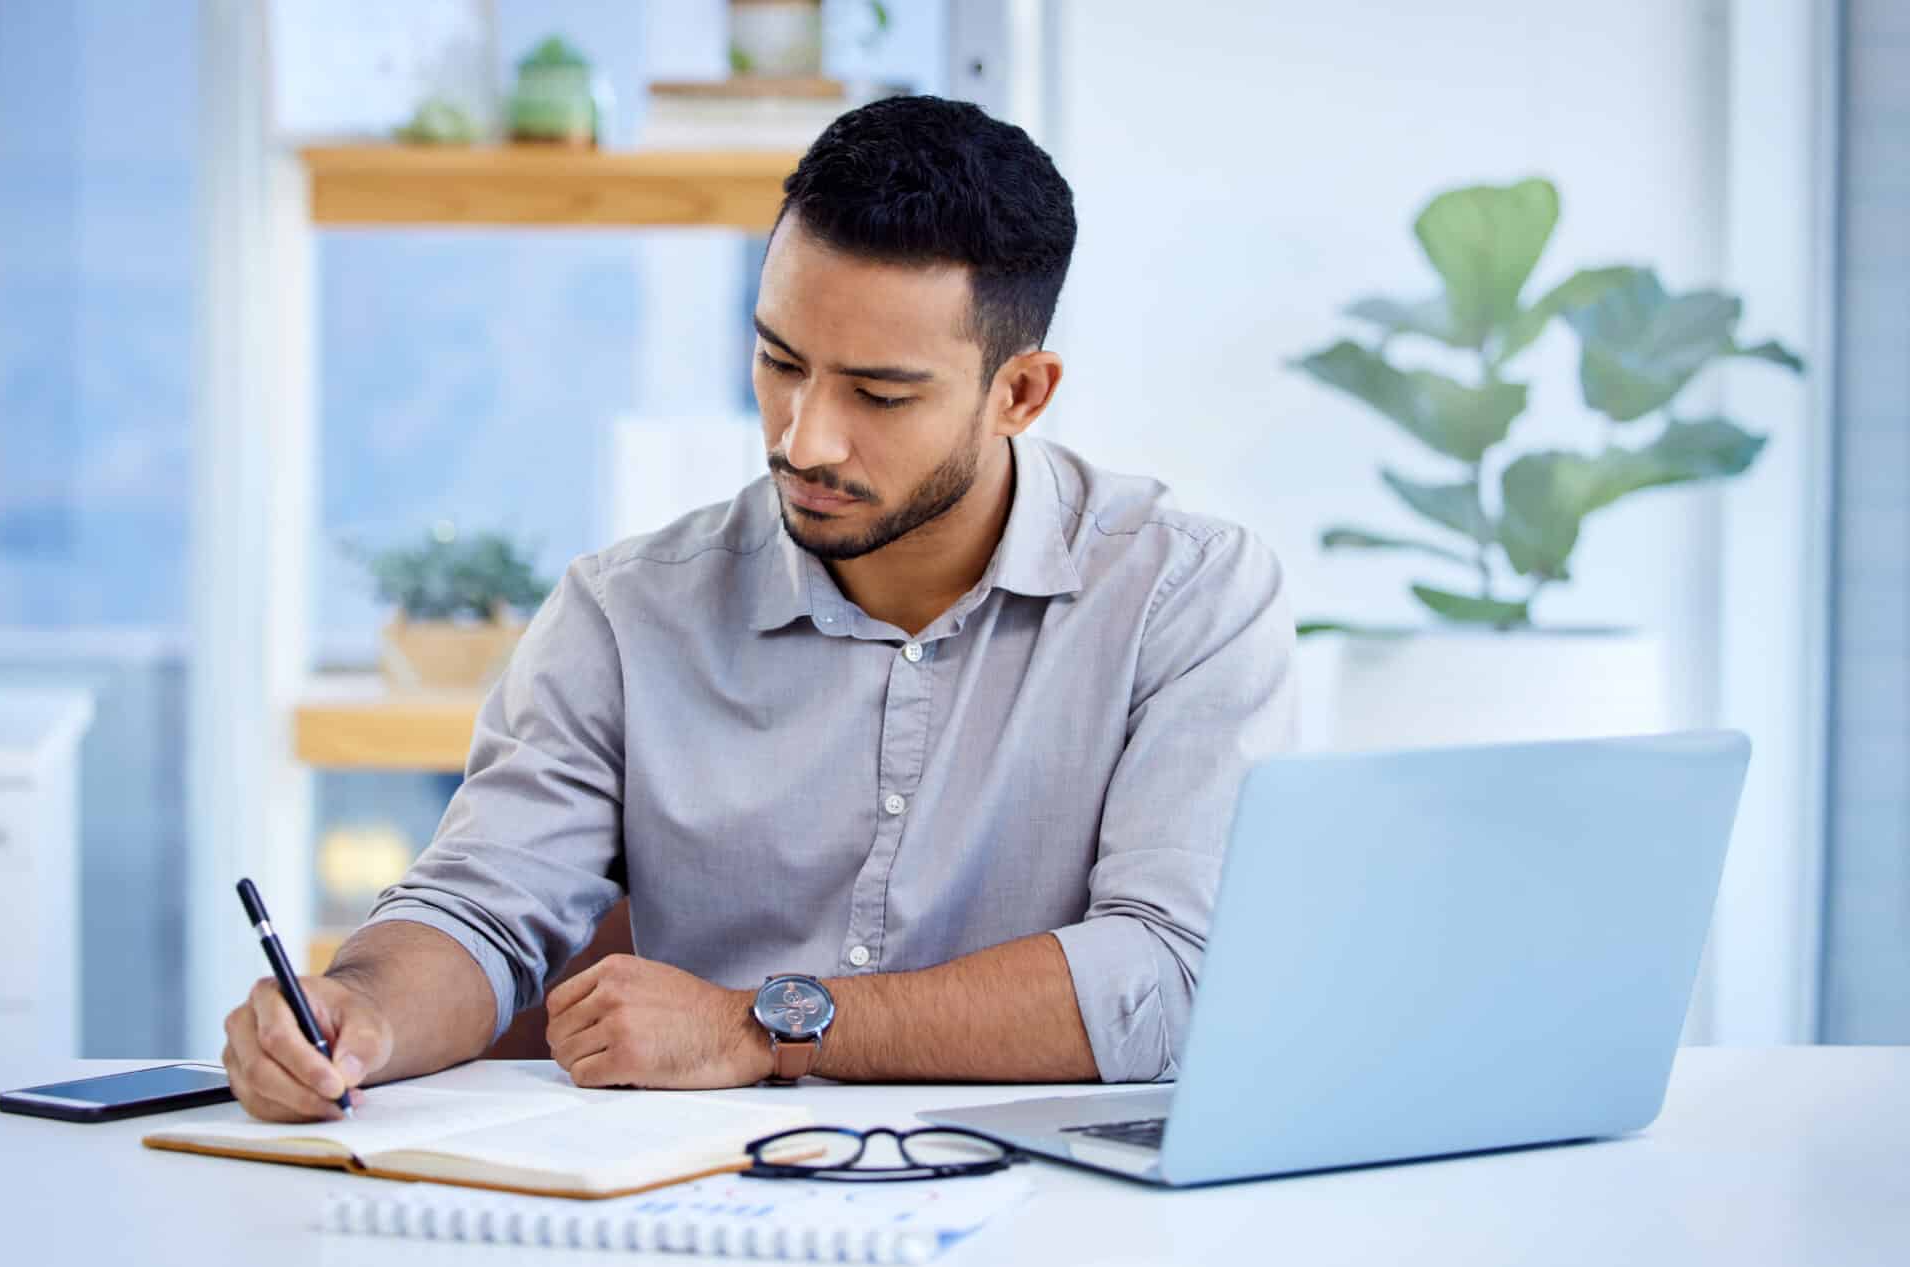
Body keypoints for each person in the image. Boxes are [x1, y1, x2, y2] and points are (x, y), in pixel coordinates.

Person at [222, 95, 1297, 1121]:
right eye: (779, 362)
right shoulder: (625, 612)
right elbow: (479, 907)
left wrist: (765, 1025)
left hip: (1053, 1209)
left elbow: (1172, 971)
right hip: (699, 1200)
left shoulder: (1184, 597)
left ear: (1019, 393)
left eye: (879, 395)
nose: (804, 438)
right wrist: (359, 1012)